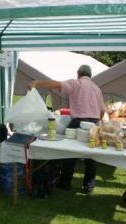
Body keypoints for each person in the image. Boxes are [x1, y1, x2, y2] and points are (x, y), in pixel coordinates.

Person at [28, 65, 105, 194]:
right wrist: (97, 122)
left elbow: (55, 84)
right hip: (94, 123)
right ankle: (88, 186)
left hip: (79, 122)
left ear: (78, 74)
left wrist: (37, 83)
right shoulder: (97, 88)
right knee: (91, 156)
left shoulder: (76, 83)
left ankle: (65, 182)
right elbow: (102, 110)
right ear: (90, 75)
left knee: (69, 152)